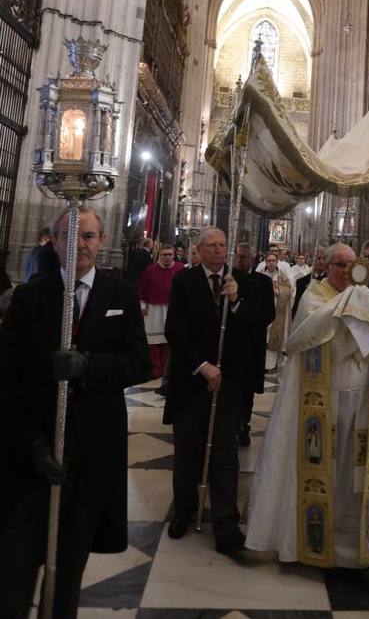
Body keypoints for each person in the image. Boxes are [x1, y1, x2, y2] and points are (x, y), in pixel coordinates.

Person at [0, 208, 150, 619]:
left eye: (87, 236)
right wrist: (31, 445)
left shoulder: (120, 297)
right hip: (33, 455)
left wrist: (90, 366)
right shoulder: (30, 297)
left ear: (101, 242)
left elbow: (140, 363)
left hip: (90, 458)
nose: (78, 245)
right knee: (13, 574)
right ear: (53, 241)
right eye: (69, 235)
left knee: (67, 574)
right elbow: (7, 380)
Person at [246, 243, 369, 595]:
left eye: (351, 264)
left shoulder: (364, 295)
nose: (347, 270)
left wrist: (359, 303)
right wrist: (346, 308)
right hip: (323, 399)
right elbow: (308, 331)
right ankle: (307, 542)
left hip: (361, 400)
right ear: (324, 266)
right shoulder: (313, 295)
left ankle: (353, 551)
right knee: (323, 472)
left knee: (352, 476)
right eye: (341, 264)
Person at [163, 226, 265, 551]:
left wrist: (236, 302)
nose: (221, 251)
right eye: (213, 245)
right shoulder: (184, 281)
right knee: (188, 449)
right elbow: (175, 330)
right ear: (200, 249)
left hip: (230, 382)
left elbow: (257, 324)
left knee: (224, 452)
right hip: (193, 378)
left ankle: (226, 523)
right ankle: (184, 510)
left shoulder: (243, 282)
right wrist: (203, 366)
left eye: (224, 244)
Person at [232, 242, 275, 446]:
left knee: (247, 389)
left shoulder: (263, 282)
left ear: (252, 258)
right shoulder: (227, 278)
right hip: (230, 343)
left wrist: (247, 315)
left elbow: (269, 313)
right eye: (238, 256)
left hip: (252, 343)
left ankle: (243, 424)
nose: (241, 260)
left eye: (245, 257)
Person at [137, 243, 185, 380]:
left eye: (170, 254)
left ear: (174, 255)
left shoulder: (180, 269)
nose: (168, 257)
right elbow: (142, 289)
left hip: (173, 309)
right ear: (159, 255)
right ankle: (155, 370)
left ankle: (166, 370)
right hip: (154, 310)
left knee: (169, 341)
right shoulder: (150, 270)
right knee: (153, 342)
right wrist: (142, 305)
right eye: (165, 254)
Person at [260, 252, 293, 370]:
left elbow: (288, 292)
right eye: (269, 260)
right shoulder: (260, 275)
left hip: (277, 309)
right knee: (263, 336)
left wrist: (279, 292)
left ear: (277, 261)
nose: (271, 263)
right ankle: (260, 363)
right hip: (262, 311)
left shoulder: (283, 277)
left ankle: (271, 365)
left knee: (273, 336)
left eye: (273, 260)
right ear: (265, 262)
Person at [292, 245, 326, 319]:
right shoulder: (301, 282)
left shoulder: (332, 280)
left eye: (324, 258)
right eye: (319, 258)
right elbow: (297, 305)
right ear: (312, 259)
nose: (321, 261)